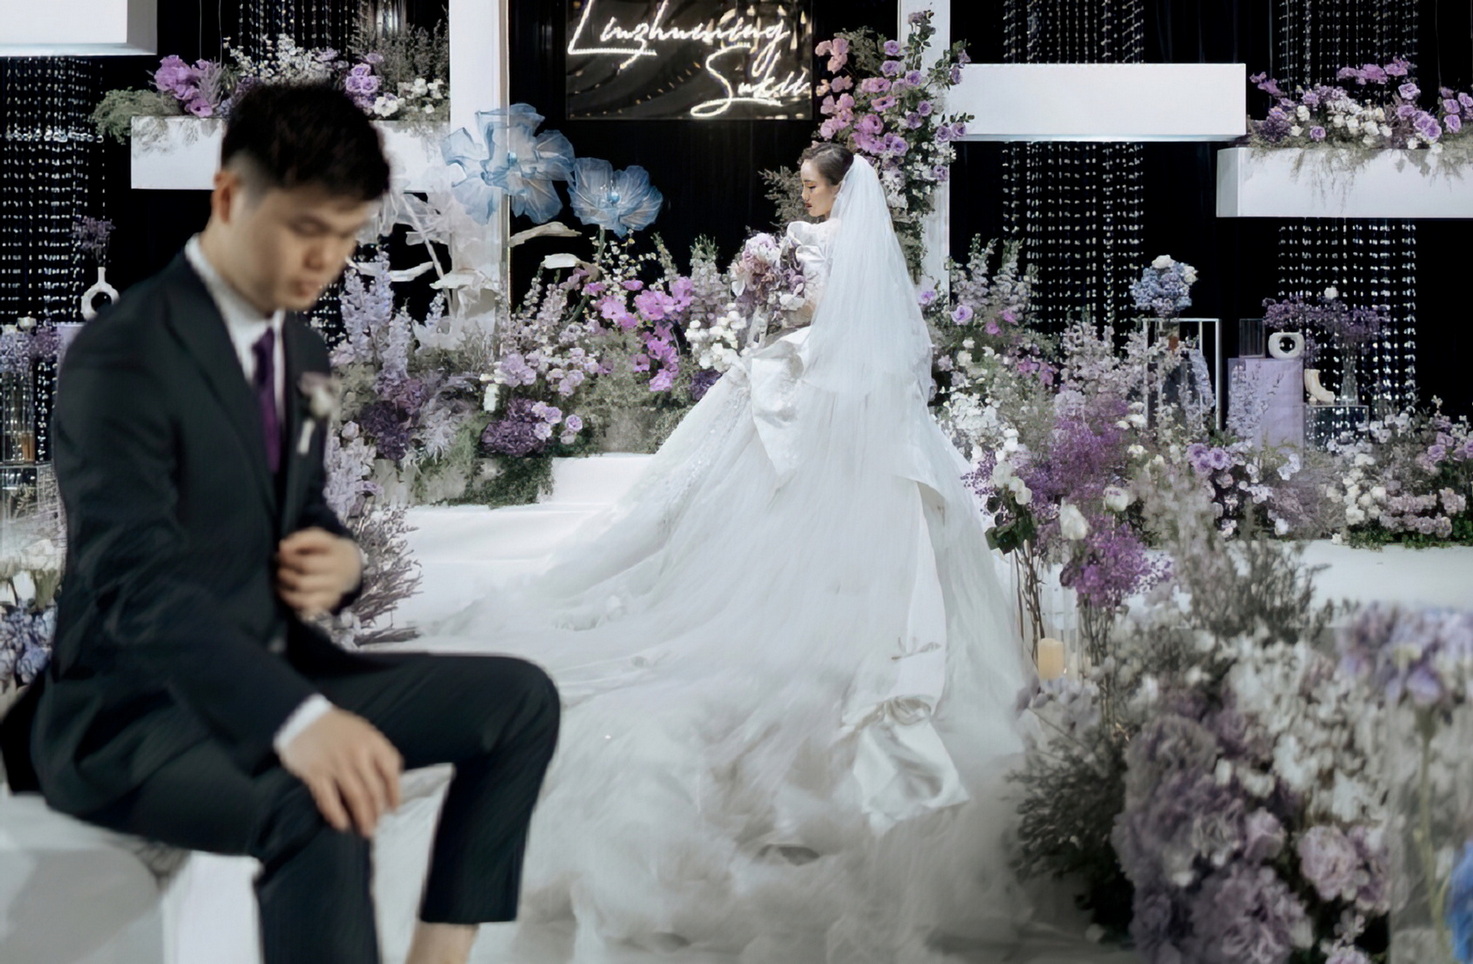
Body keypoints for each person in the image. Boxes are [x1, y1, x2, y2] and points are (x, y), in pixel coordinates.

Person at [400, 142, 1031, 962]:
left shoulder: (816, 242)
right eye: (802, 186)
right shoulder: (859, 247)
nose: (804, 197)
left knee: (772, 499)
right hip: (842, 391)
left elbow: (816, 314)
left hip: (814, 378)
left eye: (811, 186)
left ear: (839, 188)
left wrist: (767, 290)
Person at [0, 83, 559, 964]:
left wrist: (340, 560)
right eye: (306, 229)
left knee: (520, 702)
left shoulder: (300, 347)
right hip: (135, 718)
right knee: (320, 802)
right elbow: (135, 584)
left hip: (276, 672)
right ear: (228, 196)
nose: (326, 259)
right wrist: (296, 722)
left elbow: (302, 510)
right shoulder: (123, 355)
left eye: (348, 235)